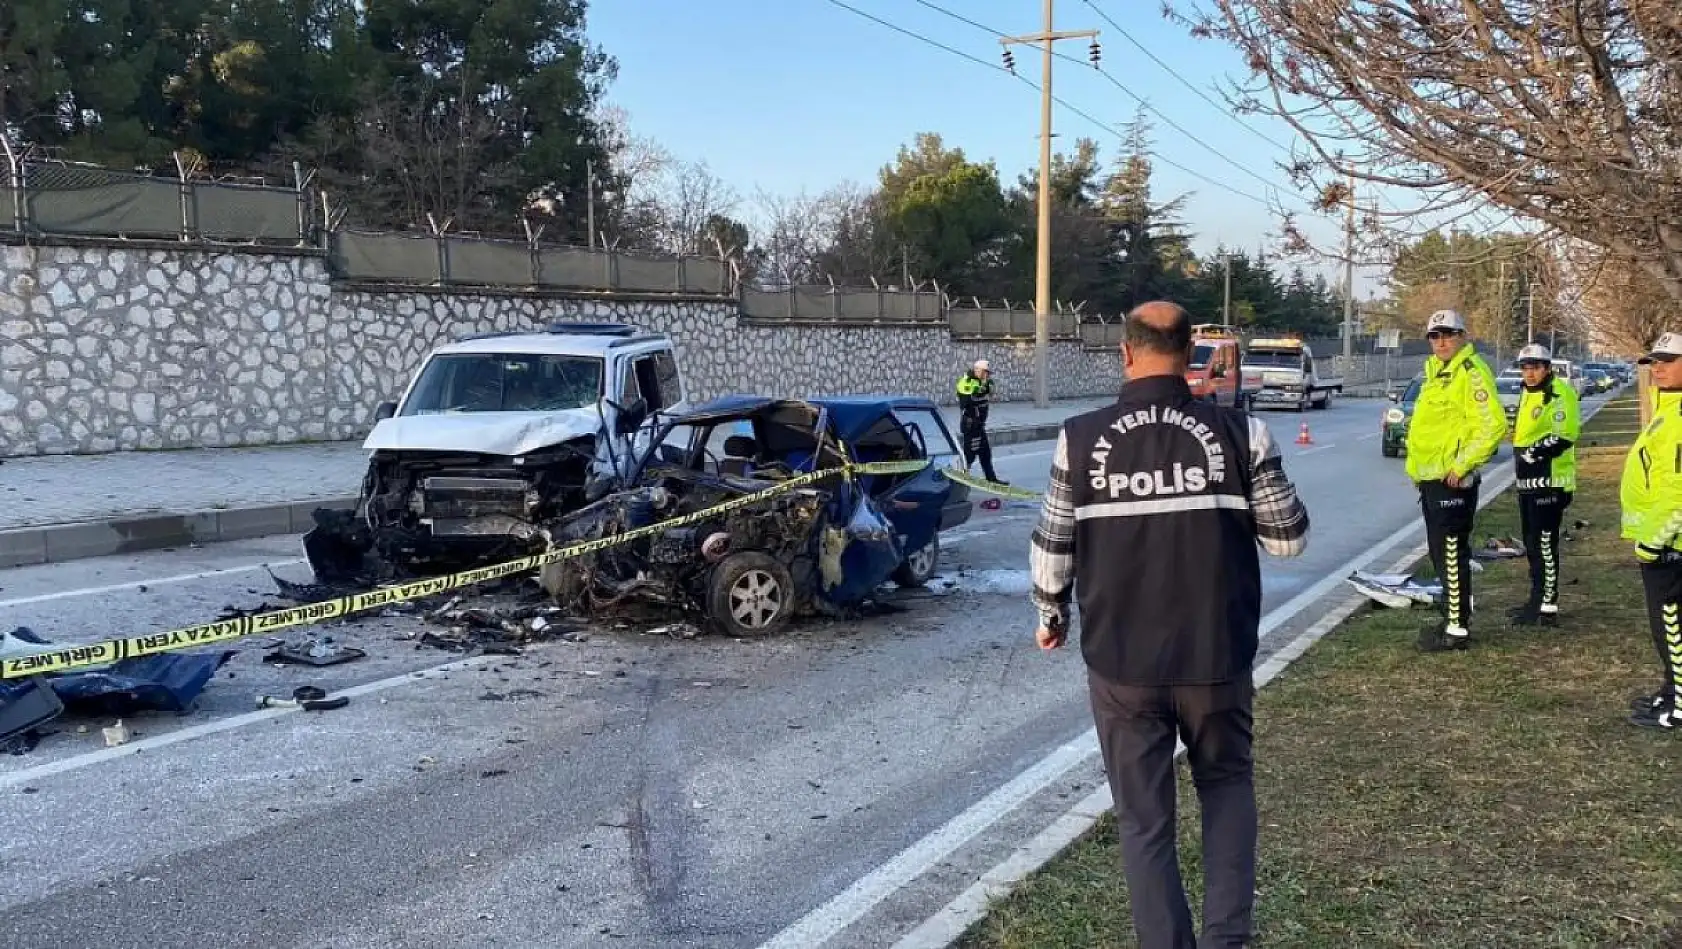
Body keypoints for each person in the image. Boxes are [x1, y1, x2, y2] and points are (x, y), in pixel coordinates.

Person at [1029, 300, 1310, 949]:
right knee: (1226, 785)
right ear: (1190, 355)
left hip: (1123, 665)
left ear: (1125, 353)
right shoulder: (1243, 432)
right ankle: (1225, 940)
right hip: (1217, 655)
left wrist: (1051, 613)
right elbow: (1289, 539)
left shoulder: (1079, 436)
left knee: (1144, 822)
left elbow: (1052, 547)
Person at [1404, 309, 1509, 652]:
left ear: (1463, 336)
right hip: (1432, 480)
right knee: (1440, 555)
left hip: (1453, 481)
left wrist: (1462, 466)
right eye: (1434, 336)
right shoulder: (1437, 374)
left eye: (1448, 334)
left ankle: (1457, 629)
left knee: (1450, 554)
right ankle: (1452, 618)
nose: (1441, 341)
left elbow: (1492, 426)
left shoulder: (1470, 372)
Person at [1623, 332, 1682, 729]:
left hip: (1669, 544)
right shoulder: (1668, 410)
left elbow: (1679, 492)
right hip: (1661, 541)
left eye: (1668, 360)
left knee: (1672, 625)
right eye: (1654, 361)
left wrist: (1654, 542)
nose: (1657, 367)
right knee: (1665, 627)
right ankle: (1673, 688)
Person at [1508, 343, 1581, 626]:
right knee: (1532, 544)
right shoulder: (1528, 393)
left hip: (1550, 482)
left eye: (1536, 367)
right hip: (1529, 482)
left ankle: (1548, 605)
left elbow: (1565, 434)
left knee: (1545, 545)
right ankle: (1536, 599)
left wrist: (1530, 454)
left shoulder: (1559, 393)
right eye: (1525, 367)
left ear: (1547, 368)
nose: (1530, 372)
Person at [956, 359, 1003, 484]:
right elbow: (970, 396)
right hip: (971, 424)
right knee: (969, 455)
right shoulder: (966, 381)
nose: (987, 375)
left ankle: (991, 479)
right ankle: (960, 480)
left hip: (979, 425)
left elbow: (991, 394)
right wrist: (984, 388)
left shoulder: (983, 382)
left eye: (988, 373)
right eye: (985, 372)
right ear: (977, 370)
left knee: (985, 453)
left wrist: (987, 387)